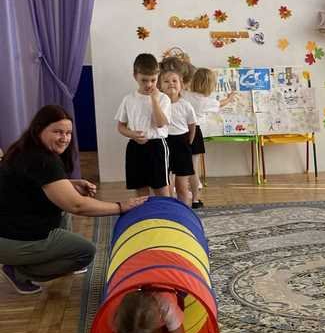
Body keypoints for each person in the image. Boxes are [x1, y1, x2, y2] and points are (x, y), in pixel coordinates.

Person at [0, 105, 146, 295]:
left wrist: (68, 184)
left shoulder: (24, 149)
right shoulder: (43, 160)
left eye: (68, 133)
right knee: (85, 252)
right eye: (57, 132)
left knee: (62, 209)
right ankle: (19, 272)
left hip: (8, 232)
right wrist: (120, 207)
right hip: (12, 240)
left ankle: (41, 257)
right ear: (39, 129)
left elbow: (28, 183)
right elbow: (77, 205)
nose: (64, 138)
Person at [116, 53, 172, 197]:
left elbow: (160, 124)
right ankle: (145, 212)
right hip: (135, 147)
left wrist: (154, 100)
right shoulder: (128, 99)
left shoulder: (163, 99)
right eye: (144, 80)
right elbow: (121, 126)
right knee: (140, 190)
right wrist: (132, 134)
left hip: (157, 146)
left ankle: (165, 211)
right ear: (135, 76)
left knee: (161, 189)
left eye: (153, 80)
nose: (149, 84)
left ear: (158, 76)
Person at [183, 68, 237, 208]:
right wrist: (230, 98)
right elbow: (221, 104)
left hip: (180, 132)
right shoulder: (206, 101)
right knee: (193, 168)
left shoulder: (185, 94)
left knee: (179, 168)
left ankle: (178, 197)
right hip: (195, 132)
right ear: (210, 85)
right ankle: (195, 200)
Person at [161, 70, 197, 207]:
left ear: (181, 85)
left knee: (182, 186)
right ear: (160, 86)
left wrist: (189, 143)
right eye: (166, 81)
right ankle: (171, 212)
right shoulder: (159, 104)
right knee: (167, 185)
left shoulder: (186, 105)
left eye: (174, 81)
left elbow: (192, 126)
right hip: (164, 143)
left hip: (182, 144)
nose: (171, 84)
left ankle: (185, 212)